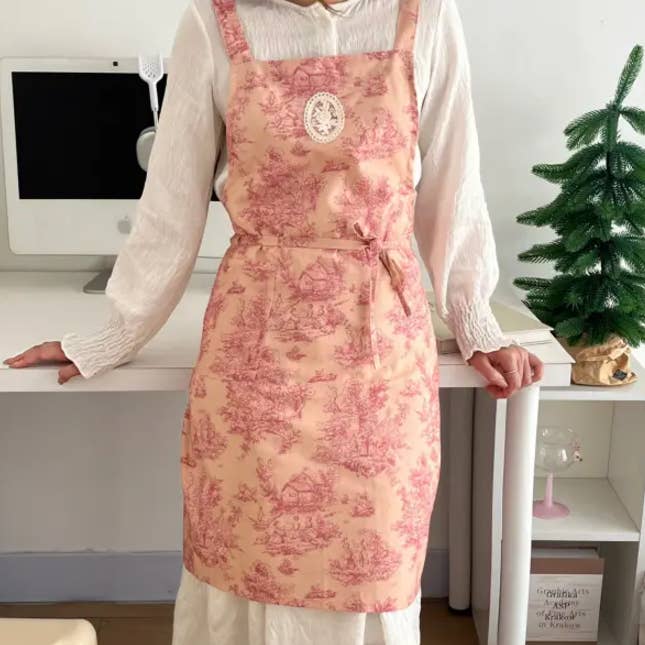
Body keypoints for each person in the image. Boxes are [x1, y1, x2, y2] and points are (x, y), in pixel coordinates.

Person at [4, 0, 544, 642]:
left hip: (379, 362)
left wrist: (475, 322)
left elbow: (454, 188)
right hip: (255, 352)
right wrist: (113, 336)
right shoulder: (213, 22)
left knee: (370, 562)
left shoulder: (424, 17)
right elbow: (171, 202)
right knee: (244, 554)